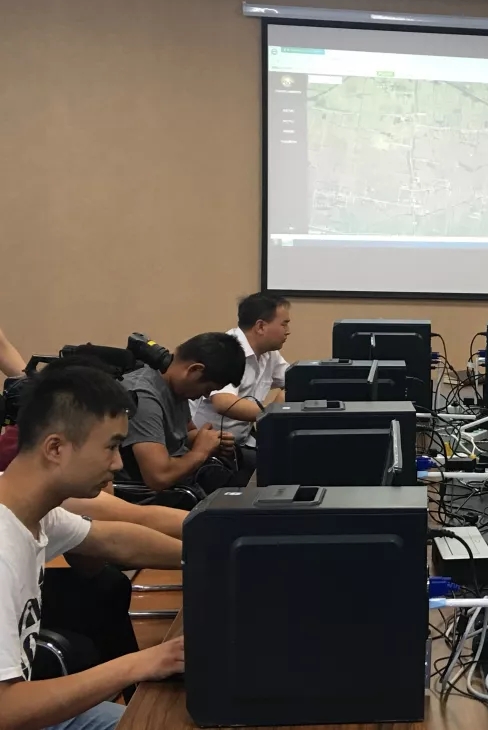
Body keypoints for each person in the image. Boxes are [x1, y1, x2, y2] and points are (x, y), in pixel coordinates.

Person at [0, 362, 185, 730]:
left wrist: (208, 555)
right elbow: (5, 710)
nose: (117, 463)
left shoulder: (35, 513)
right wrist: (145, 662)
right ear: (55, 448)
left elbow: (114, 541)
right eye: (111, 447)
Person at [121, 332, 245, 494]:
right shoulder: (143, 397)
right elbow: (159, 477)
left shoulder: (177, 388)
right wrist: (200, 452)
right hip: (160, 493)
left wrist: (210, 441)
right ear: (195, 370)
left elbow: (185, 435)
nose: (206, 395)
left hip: (183, 479)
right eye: (208, 389)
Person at [190, 293, 290, 450]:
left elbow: (296, 380)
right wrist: (272, 412)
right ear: (261, 327)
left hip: (241, 443)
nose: (288, 331)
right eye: (284, 324)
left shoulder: (270, 354)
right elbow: (224, 402)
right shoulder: (227, 349)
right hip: (206, 446)